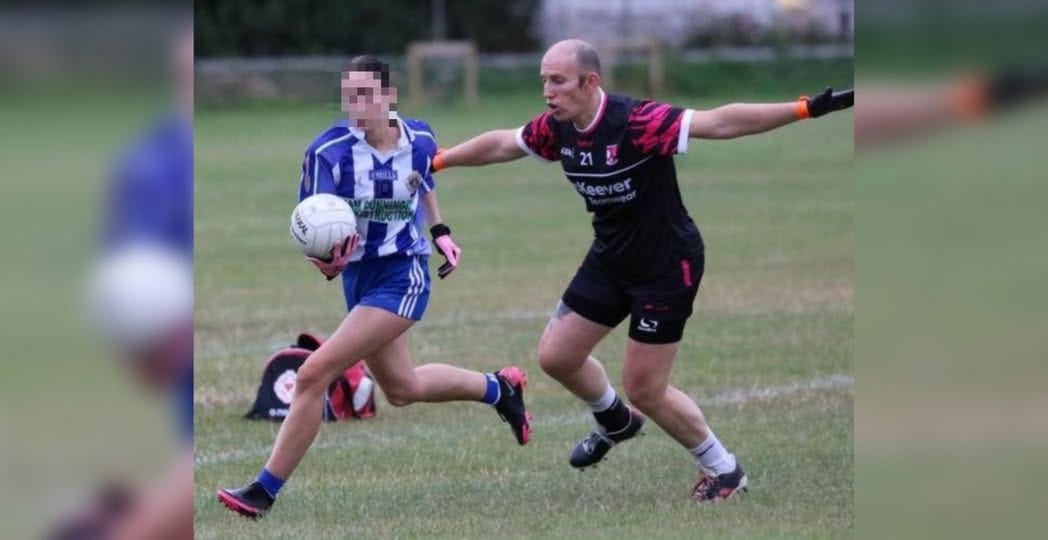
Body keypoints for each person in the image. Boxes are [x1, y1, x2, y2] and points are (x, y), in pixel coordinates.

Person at [432, 39, 853, 502]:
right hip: (611, 258)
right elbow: (502, 145)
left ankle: (724, 471)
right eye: (543, 82)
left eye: (557, 81)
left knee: (645, 388)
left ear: (590, 82)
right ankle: (615, 419)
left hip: (667, 266)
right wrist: (441, 159)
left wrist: (803, 109)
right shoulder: (557, 128)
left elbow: (721, 122)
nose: (547, 92)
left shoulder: (637, 122)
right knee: (557, 356)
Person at [217, 55, 532, 519]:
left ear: (390, 96)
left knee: (311, 375)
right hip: (359, 277)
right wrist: (326, 262)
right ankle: (499, 389)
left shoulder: (420, 138)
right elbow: (312, 224)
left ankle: (262, 492)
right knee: (402, 389)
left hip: (404, 273)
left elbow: (422, 179)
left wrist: (439, 231)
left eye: (366, 95)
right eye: (349, 97)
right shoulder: (327, 153)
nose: (357, 106)